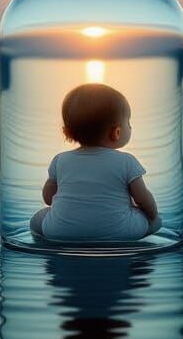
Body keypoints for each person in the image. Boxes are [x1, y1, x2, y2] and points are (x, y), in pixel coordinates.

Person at [30, 83, 161, 242]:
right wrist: (152, 216)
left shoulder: (60, 160)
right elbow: (142, 198)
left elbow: (48, 197)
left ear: (67, 132)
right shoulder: (127, 161)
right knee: (154, 221)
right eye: (129, 123)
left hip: (61, 231)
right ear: (117, 132)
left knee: (37, 219)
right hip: (121, 232)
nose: (130, 126)